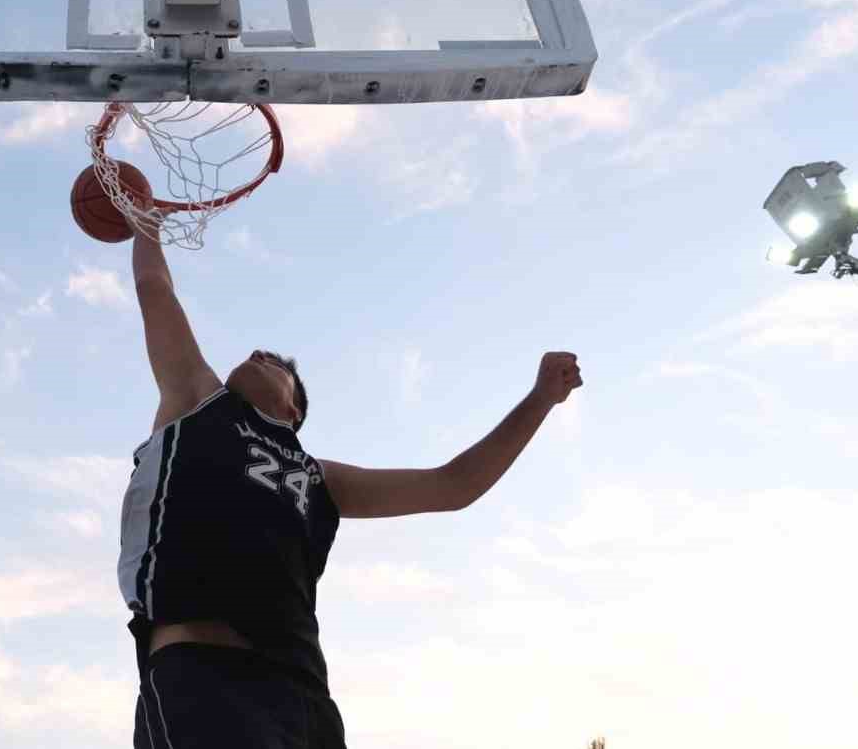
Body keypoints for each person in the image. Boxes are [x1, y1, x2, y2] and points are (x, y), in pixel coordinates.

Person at [118, 215, 583, 749]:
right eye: (255, 354)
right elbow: (155, 288)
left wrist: (541, 399)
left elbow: (455, 485)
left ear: (294, 410)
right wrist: (145, 221)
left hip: (305, 701)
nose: (259, 354)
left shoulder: (321, 478)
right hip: (204, 676)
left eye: (279, 364)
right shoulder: (197, 400)